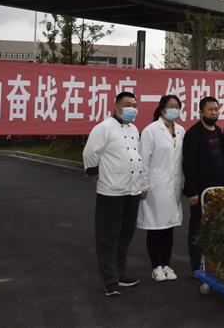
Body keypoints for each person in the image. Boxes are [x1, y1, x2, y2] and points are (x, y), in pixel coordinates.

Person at [82, 91, 146, 297]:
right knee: (107, 237)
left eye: (134, 105)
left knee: (125, 235)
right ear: (116, 106)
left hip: (132, 190)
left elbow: (137, 157)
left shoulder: (135, 129)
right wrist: (93, 171)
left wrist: (142, 185)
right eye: (127, 104)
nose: (132, 108)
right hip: (111, 192)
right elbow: (90, 152)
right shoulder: (104, 128)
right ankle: (110, 281)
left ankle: (120, 273)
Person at [137, 95, 185, 282]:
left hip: (173, 186)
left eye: (177, 106)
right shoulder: (151, 131)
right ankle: (156, 266)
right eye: (171, 106)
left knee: (168, 227)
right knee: (155, 227)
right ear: (162, 108)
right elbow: (143, 159)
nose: (174, 109)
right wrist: (143, 184)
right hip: (155, 187)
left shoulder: (181, 131)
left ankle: (167, 264)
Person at [182, 96, 224, 274]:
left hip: (218, 189)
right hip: (200, 190)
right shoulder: (193, 134)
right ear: (201, 112)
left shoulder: (218, 131)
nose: (214, 113)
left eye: (216, 109)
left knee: (215, 227)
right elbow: (189, 165)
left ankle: (213, 263)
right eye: (210, 110)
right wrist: (191, 191)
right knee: (198, 228)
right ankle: (197, 266)